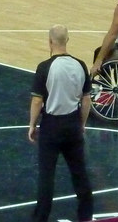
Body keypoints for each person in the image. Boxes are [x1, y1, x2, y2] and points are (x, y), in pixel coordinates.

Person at [28, 24, 93, 222]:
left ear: (50, 42)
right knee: (79, 172)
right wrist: (81, 124)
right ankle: (86, 215)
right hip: (72, 124)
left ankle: (41, 218)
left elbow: (38, 100)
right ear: (67, 41)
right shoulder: (80, 65)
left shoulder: (45, 67)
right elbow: (86, 99)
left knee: (47, 175)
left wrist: (32, 124)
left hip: (51, 127)